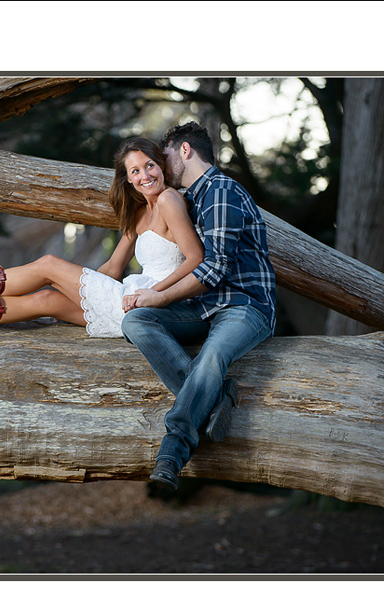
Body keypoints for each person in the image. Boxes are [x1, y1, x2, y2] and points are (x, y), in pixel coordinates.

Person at [0, 138, 205, 338]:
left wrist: (155, 294)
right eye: (135, 171)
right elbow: (113, 270)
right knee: (48, 299)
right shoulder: (140, 213)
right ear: (128, 179)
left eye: (150, 166)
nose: (145, 176)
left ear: (161, 166)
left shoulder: (169, 200)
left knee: (49, 264)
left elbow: (196, 259)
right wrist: (79, 287)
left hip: (153, 306)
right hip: (130, 299)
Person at [121, 122, 277, 491]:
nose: (162, 163)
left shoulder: (220, 190)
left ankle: (171, 455)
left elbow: (215, 267)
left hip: (245, 306)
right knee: (137, 322)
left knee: (212, 355)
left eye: (167, 155)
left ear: (186, 151)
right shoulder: (188, 198)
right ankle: (217, 396)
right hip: (206, 307)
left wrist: (158, 295)